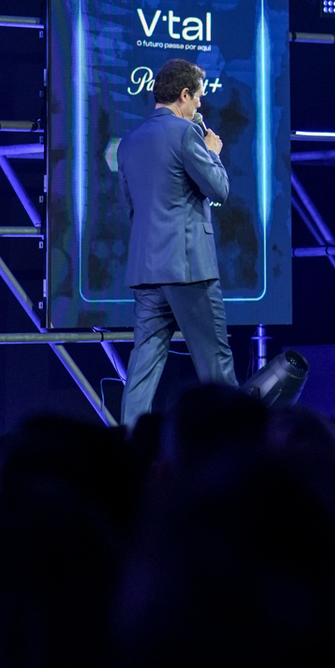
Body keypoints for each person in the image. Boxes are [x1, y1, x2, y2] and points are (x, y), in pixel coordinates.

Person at [117, 58, 238, 428]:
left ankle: (129, 445)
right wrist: (213, 153)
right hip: (187, 267)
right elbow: (219, 190)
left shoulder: (129, 141)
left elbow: (130, 205)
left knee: (143, 367)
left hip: (146, 268)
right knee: (215, 361)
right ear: (184, 95)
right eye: (198, 96)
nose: (200, 104)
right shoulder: (185, 134)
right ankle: (239, 445)